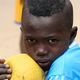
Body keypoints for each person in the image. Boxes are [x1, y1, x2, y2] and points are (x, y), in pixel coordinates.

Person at [0, 0, 80, 80]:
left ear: (72, 35)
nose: (41, 51)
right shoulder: (74, 53)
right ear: (23, 34)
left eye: (52, 41)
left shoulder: (60, 74)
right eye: (31, 40)